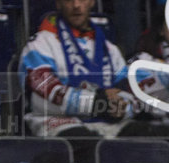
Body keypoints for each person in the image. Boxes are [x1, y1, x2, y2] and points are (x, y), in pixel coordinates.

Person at [20, 0, 142, 141]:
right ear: (59, 3)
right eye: (69, 0)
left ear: (92, 2)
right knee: (90, 145)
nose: (76, 5)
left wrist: (122, 108)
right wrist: (98, 101)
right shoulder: (40, 44)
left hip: (109, 124)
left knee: (154, 135)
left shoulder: (109, 48)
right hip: (58, 123)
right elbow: (46, 90)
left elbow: (131, 92)